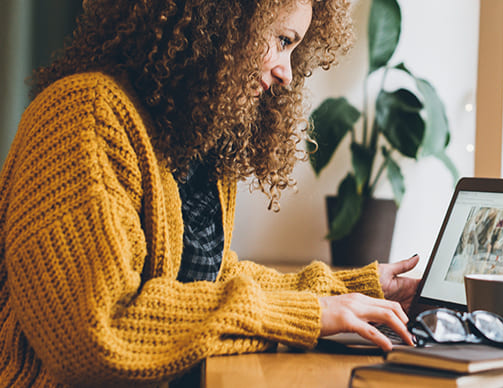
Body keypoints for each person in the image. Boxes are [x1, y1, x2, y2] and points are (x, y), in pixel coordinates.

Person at [0, 0, 420, 386]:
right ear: (224, 20)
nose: (287, 72)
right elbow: (100, 333)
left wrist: (356, 289)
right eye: (282, 40)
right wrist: (310, 315)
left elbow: (208, 282)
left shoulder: (191, 138)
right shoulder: (83, 116)